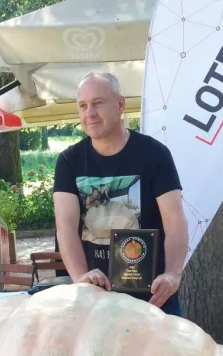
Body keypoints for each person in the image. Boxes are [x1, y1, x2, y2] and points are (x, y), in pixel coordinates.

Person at [53, 72, 188, 314]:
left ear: (120, 104)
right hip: (95, 300)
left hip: (153, 299)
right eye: (82, 106)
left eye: (98, 103)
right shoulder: (69, 161)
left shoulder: (155, 154)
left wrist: (172, 275)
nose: (89, 113)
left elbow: (174, 220)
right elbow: (65, 227)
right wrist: (81, 277)